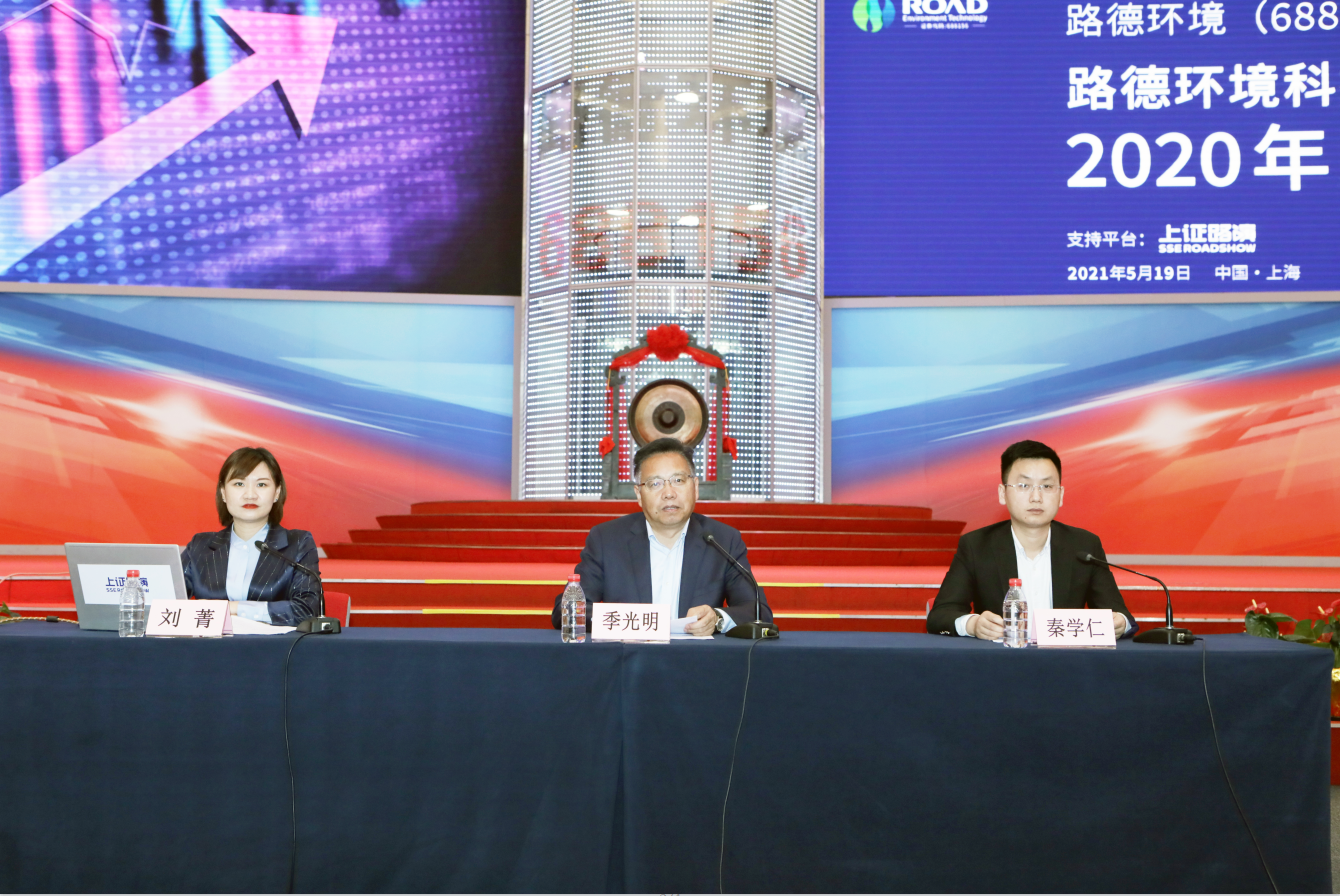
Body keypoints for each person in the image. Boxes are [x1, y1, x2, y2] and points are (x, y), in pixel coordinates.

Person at [550, 437, 771, 635]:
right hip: (630, 660)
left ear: (695, 487)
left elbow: (758, 611)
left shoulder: (722, 540)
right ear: (639, 494)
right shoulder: (607, 539)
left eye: (678, 480)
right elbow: (567, 610)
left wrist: (717, 619)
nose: (668, 493)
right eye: (655, 483)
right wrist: (631, 621)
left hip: (697, 661)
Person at [926, 439, 1137, 640]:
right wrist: (973, 625)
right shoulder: (976, 545)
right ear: (1002, 493)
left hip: (1065, 660)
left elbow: (1122, 616)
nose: (1036, 497)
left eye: (1047, 486)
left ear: (1061, 495)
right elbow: (940, 615)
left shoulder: (1084, 546)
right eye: (1024, 485)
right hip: (1001, 660)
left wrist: (1119, 623)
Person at [181, 446, 322, 626]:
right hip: (210, 643)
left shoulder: (298, 544)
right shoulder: (200, 546)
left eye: (261, 485)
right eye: (239, 484)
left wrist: (232, 608)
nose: (250, 495)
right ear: (223, 493)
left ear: (276, 493)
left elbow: (307, 610)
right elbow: (167, 602)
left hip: (273, 644)